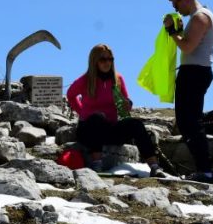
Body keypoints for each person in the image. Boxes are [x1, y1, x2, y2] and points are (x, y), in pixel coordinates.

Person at [66, 44, 166, 176]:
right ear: (94, 61)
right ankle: (97, 164)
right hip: (88, 130)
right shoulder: (85, 80)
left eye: (110, 59)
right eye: (103, 59)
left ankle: (154, 166)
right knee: (97, 118)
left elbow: (125, 101)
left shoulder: (118, 79)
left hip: (110, 128)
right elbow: (70, 95)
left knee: (136, 124)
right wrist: (82, 113)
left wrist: (127, 104)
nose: (107, 62)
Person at [163, 0, 213, 181]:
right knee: (188, 121)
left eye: (176, 4)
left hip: (194, 73)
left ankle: (205, 169)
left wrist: (172, 31)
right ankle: (204, 168)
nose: (176, 9)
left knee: (189, 121)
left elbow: (187, 47)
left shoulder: (200, 17)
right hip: (195, 71)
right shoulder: (203, 15)